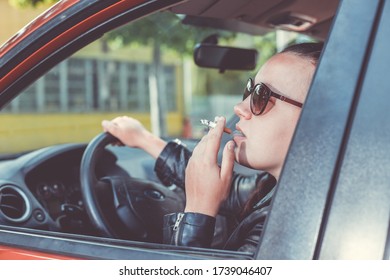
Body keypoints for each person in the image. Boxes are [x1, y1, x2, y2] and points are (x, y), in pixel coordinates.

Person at [101, 42, 323, 254]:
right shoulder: (286, 189)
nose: (239, 107)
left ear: (317, 120)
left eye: (261, 95)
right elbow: (233, 190)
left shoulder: (287, 229)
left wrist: (198, 211)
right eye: (250, 90)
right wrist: (142, 138)